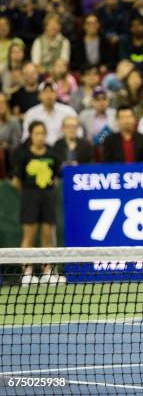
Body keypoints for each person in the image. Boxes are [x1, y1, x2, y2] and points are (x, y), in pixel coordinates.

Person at [12, 121, 66, 286]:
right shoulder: (23, 155)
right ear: (31, 135)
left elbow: (56, 178)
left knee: (47, 234)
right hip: (29, 196)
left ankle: (47, 272)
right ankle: (27, 272)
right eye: (37, 133)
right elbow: (16, 182)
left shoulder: (53, 154)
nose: (40, 137)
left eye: (43, 133)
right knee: (29, 235)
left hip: (48, 197)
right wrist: (31, 192)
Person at [22, 81, 80, 146]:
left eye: (52, 91)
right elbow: (26, 136)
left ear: (56, 94)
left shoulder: (68, 111)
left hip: (63, 149)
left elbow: (79, 132)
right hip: (41, 149)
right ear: (39, 95)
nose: (49, 95)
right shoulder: (31, 113)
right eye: (45, 92)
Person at [79, 86, 117, 160]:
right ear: (92, 101)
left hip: (112, 150)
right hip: (91, 151)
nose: (101, 102)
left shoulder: (115, 114)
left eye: (104, 99)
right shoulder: (84, 115)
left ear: (108, 101)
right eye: (97, 99)